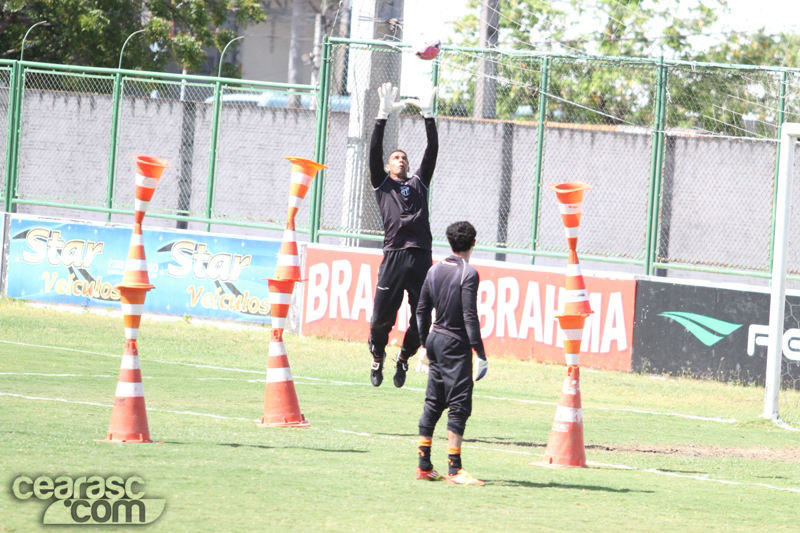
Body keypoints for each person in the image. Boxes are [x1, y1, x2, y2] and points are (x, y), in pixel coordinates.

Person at [368, 81, 439, 388]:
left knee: (423, 320)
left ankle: (404, 357)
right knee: (381, 317)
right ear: (387, 166)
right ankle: (377, 356)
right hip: (394, 255)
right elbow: (373, 150)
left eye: (404, 158)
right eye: (396, 157)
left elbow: (432, 150)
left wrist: (429, 116)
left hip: (421, 254)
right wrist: (381, 115)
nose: (402, 160)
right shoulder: (382, 185)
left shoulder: (419, 184)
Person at [414, 221, 488, 485]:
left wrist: (424, 344)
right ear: (473, 243)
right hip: (455, 345)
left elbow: (421, 310)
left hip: (435, 339)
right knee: (459, 404)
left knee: (433, 401)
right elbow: (470, 315)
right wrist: (479, 352)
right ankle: (454, 470)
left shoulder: (434, 270)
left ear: (449, 241)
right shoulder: (469, 273)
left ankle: (424, 465)